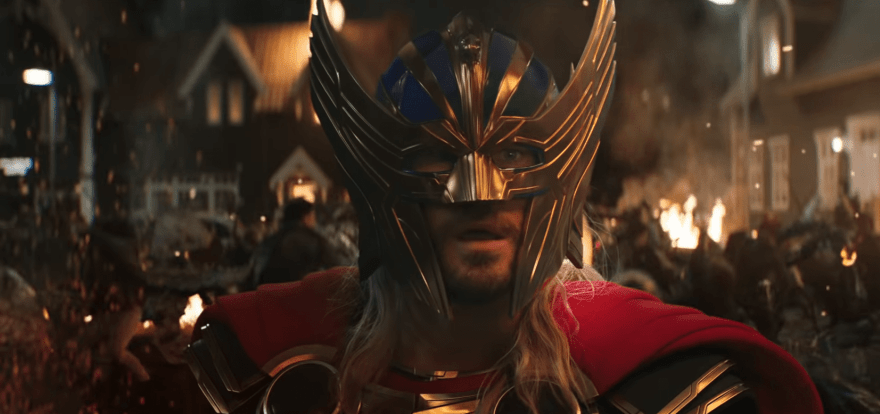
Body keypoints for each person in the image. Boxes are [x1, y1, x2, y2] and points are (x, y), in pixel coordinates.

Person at [185, 1, 824, 413]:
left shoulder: (659, 384)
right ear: (383, 182)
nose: (479, 191)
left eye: (515, 156)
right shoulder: (282, 368)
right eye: (436, 161)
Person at [248, 198, 341, 287]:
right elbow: (337, 269)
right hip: (301, 296)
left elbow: (251, 278)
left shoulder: (266, 243)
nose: (314, 221)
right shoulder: (313, 240)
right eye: (313, 216)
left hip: (268, 296)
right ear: (306, 217)